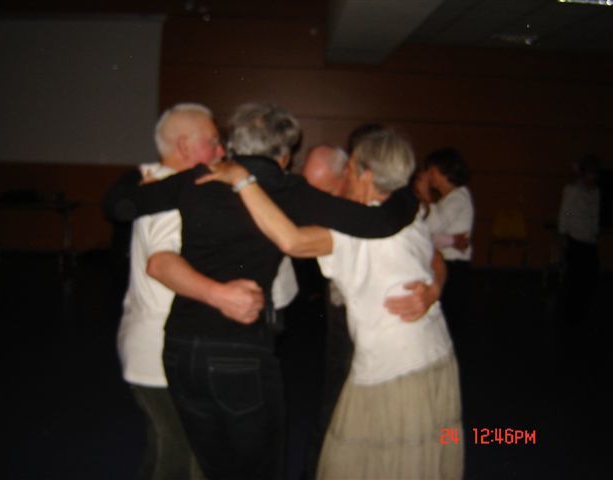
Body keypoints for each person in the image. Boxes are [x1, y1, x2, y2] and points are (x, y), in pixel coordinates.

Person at [103, 102, 425, 479]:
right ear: (286, 155)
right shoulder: (289, 190)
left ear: (235, 145)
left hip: (179, 350)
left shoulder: (196, 178)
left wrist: (131, 175)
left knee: (212, 468)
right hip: (238, 353)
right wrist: (410, 193)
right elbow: (379, 221)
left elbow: (119, 206)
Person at [198, 128, 463, 479]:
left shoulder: (354, 229)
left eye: (351, 168)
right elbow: (436, 259)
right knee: (417, 452)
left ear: (365, 175)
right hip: (437, 354)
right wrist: (433, 289)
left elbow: (290, 241)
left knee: (370, 462)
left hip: (394, 368)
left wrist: (243, 180)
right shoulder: (408, 212)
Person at [113, 103, 266, 480]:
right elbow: (161, 264)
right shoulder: (169, 194)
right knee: (180, 458)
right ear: (184, 147)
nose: (220, 152)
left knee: (169, 450)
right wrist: (221, 295)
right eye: (213, 142)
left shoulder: (160, 184)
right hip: (160, 350)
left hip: (157, 345)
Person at [422, 148, 474, 345]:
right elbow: (430, 235)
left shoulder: (459, 197)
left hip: (454, 266)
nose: (429, 176)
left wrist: (426, 197)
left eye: (431, 170)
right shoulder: (448, 199)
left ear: (443, 170)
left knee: (450, 322)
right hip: (446, 263)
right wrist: (451, 240)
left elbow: (431, 229)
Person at [558, 154, 601, 322]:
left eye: (595, 173)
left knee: (590, 277)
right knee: (575, 279)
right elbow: (566, 212)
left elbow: (595, 215)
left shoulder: (595, 192)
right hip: (575, 238)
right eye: (590, 173)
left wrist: (595, 231)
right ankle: (569, 312)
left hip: (589, 239)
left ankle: (581, 310)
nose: (593, 177)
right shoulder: (573, 191)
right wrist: (564, 232)